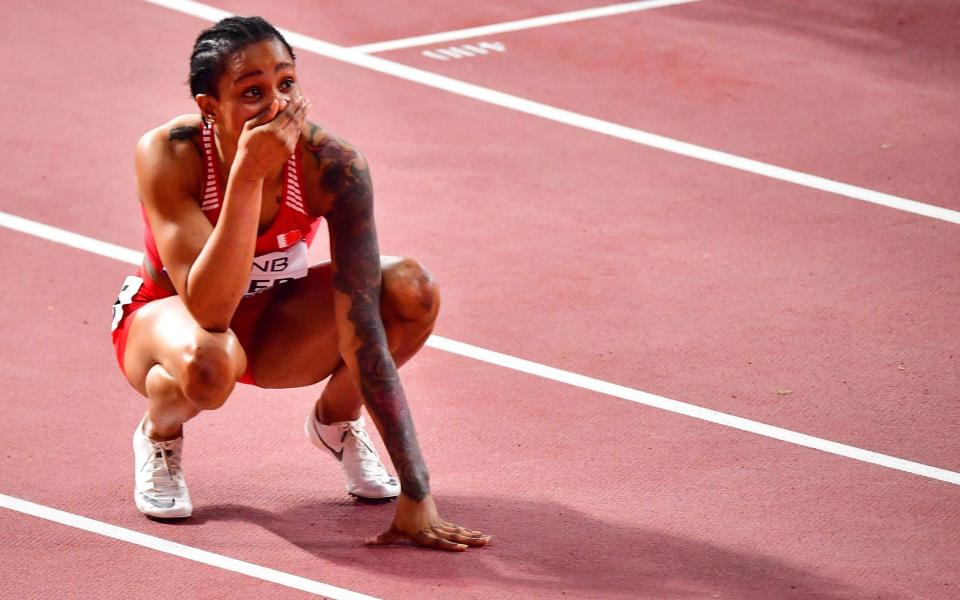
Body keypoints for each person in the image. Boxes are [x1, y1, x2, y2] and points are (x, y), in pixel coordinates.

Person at [110, 15, 489, 552]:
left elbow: (363, 327)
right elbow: (210, 310)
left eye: (287, 83)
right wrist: (245, 177)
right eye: (252, 92)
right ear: (208, 107)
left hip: (273, 322)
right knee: (208, 362)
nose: (276, 104)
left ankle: (336, 422)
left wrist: (417, 489)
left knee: (409, 289)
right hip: (171, 324)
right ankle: (160, 435)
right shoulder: (169, 153)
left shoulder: (332, 165)